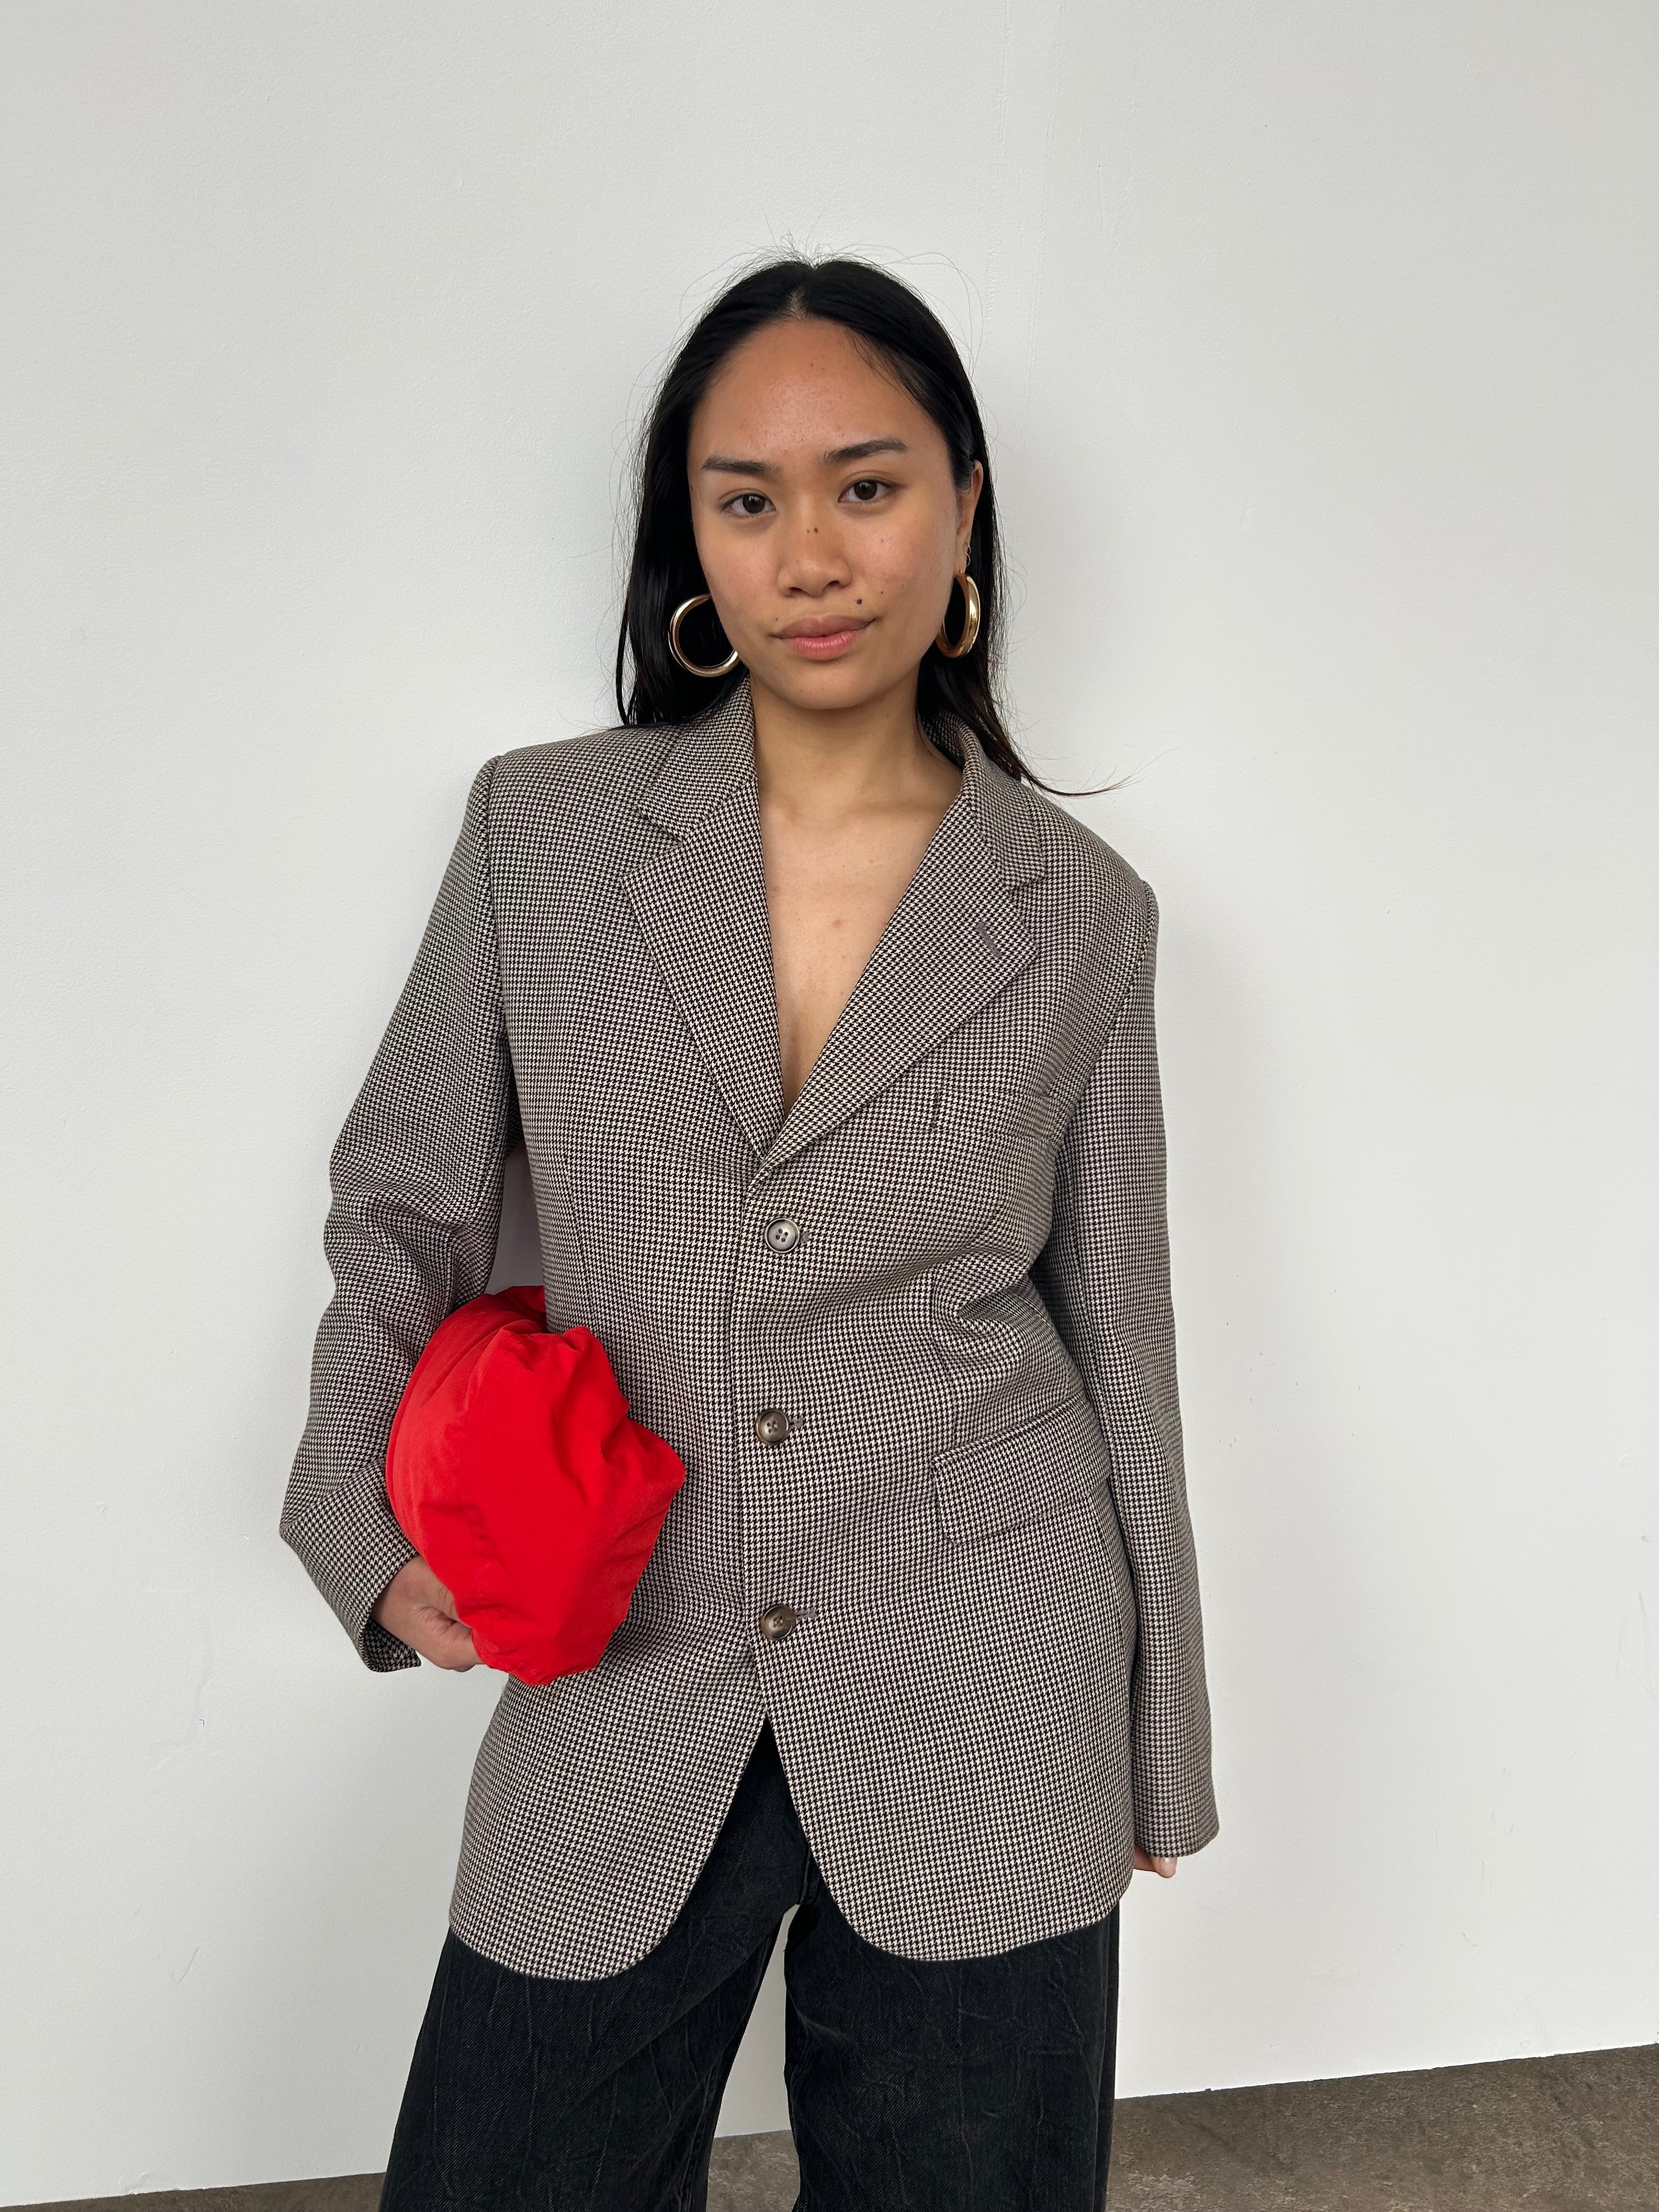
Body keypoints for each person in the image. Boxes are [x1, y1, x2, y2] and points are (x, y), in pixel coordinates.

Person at [279, 254, 1218, 2212]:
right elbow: (407, 1202)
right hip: (629, 1642)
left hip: (988, 1654)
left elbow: (1116, 1320)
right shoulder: (543, 836)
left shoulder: (1080, 910)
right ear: (690, 538)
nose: (811, 555)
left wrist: (1161, 1731)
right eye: (748, 498)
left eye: (867, 486)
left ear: (963, 506)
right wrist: (355, 1534)